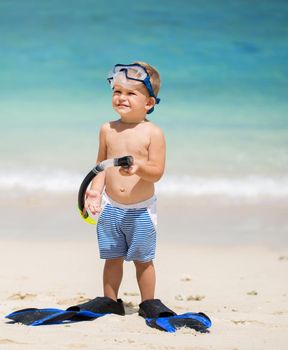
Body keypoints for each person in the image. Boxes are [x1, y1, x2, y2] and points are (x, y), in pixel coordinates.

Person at [84, 62, 166, 306]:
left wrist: (140, 168)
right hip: (112, 208)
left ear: (149, 103)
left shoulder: (153, 133)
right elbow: (100, 166)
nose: (121, 97)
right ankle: (110, 301)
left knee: (143, 260)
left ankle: (148, 303)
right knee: (112, 257)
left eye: (131, 93)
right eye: (117, 92)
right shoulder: (107, 129)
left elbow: (157, 172)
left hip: (141, 210)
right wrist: (95, 191)